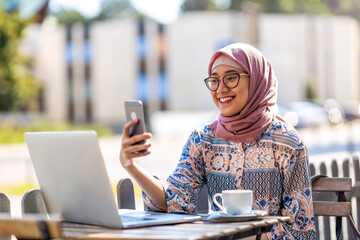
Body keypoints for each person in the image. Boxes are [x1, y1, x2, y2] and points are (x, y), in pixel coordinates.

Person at [119, 43, 316, 239]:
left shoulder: (286, 143)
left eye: (231, 78)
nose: (220, 89)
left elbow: (300, 230)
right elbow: (174, 199)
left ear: (257, 80)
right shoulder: (203, 140)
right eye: (214, 80)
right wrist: (130, 165)